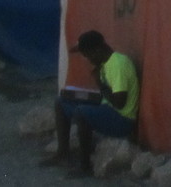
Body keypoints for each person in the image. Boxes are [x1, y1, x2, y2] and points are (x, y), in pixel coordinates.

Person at [48, 30, 137, 174]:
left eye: (87, 55)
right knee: (61, 101)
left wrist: (99, 84)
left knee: (81, 113)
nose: (87, 59)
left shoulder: (118, 64)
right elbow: (108, 97)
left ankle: (85, 166)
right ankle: (63, 153)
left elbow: (120, 102)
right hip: (108, 108)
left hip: (122, 119)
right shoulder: (105, 63)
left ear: (97, 50)